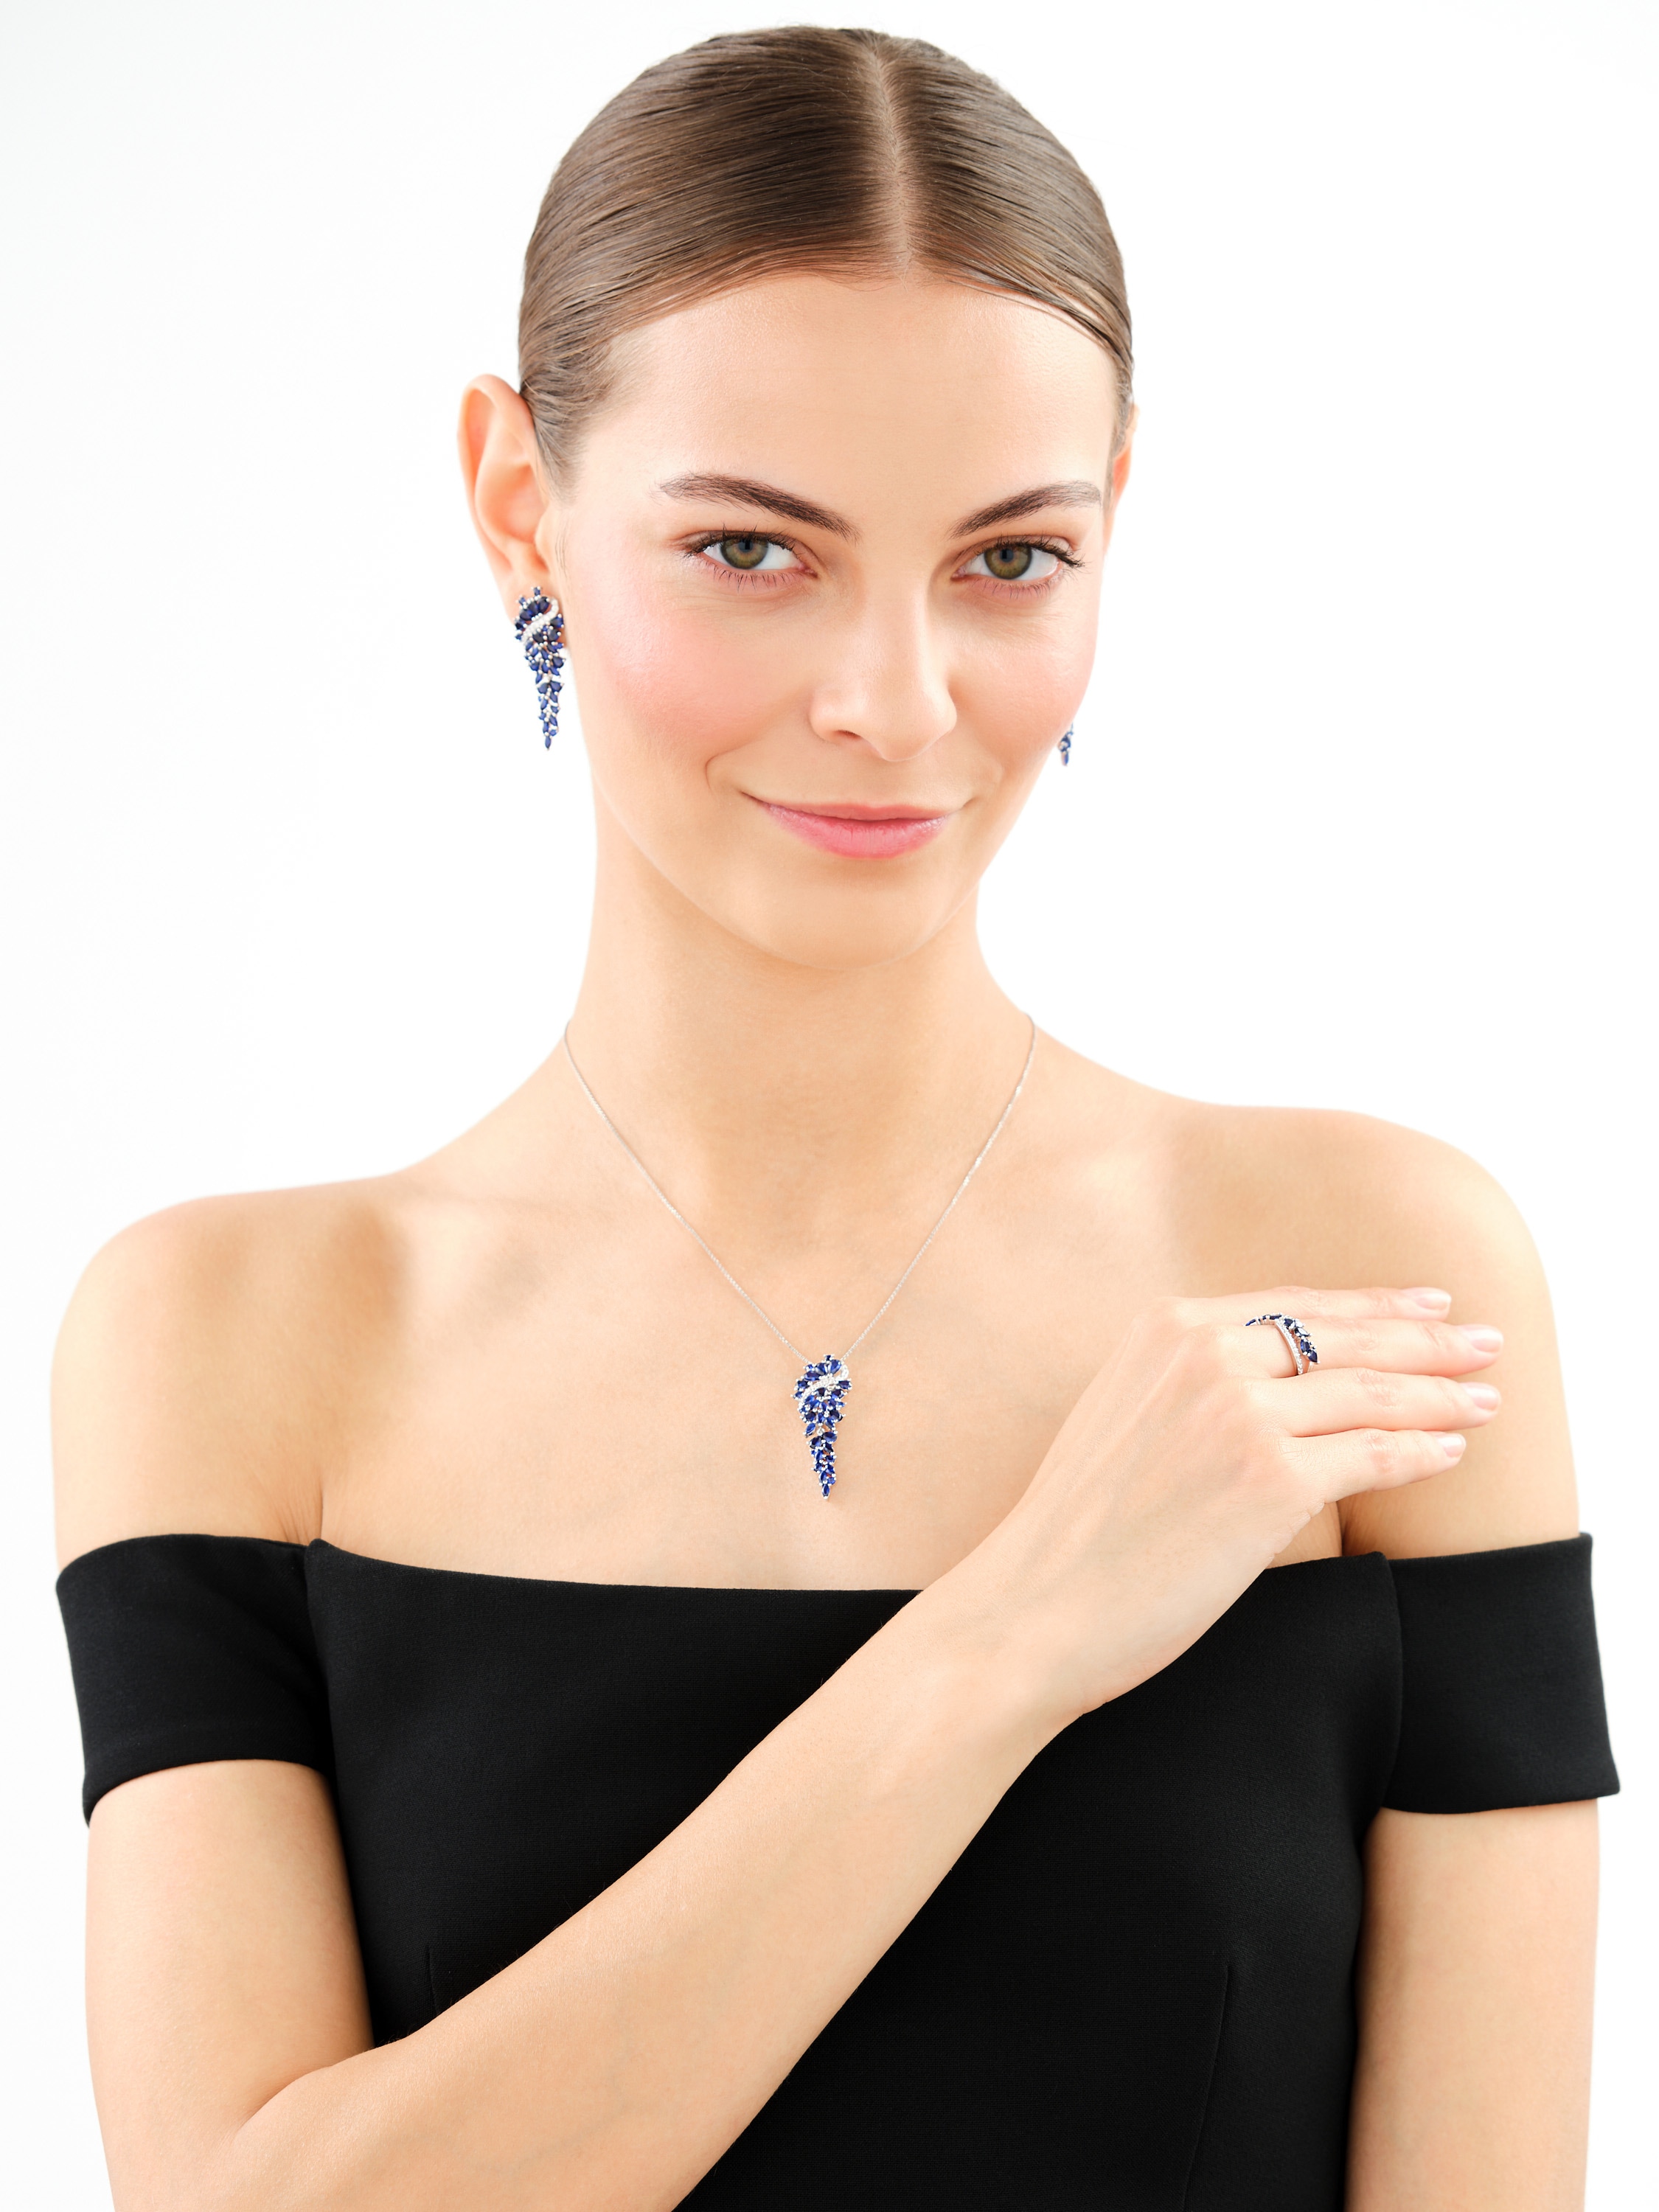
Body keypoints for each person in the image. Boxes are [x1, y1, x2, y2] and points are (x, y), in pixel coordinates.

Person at [53, 26, 1615, 2211]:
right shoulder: (240, 1335)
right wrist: (1009, 1638)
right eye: (750, 550)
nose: (895, 700)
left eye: (1009, 560)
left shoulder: (1380, 1281)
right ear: (518, 503)